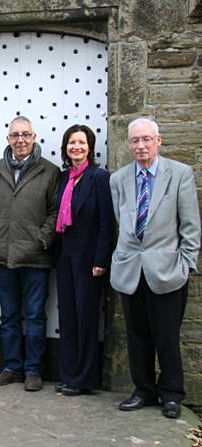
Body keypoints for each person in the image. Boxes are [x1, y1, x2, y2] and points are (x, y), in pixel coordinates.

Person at [110, 118, 200, 419]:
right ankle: (144, 390)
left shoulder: (180, 174)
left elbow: (190, 226)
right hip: (132, 270)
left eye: (146, 140)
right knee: (137, 336)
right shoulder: (119, 179)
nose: (140, 146)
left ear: (158, 141)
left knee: (166, 335)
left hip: (167, 271)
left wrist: (186, 264)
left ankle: (172, 395)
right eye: (135, 141)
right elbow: (122, 222)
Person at [0, 116, 60, 391]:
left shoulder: (49, 171)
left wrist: (42, 238)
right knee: (9, 316)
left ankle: (33, 370)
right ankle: (12, 367)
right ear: (8, 139)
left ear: (34, 137)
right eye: (15, 135)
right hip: (3, 255)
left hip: (36, 257)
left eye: (25, 135)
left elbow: (55, 211)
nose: (20, 140)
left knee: (36, 315)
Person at [54, 125, 114, 396]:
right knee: (67, 317)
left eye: (81, 142)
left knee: (86, 318)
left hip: (89, 259)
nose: (76, 147)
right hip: (64, 256)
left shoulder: (99, 178)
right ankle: (69, 375)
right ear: (65, 147)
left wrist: (101, 259)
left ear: (90, 146)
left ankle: (85, 379)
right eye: (71, 142)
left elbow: (106, 222)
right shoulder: (63, 177)